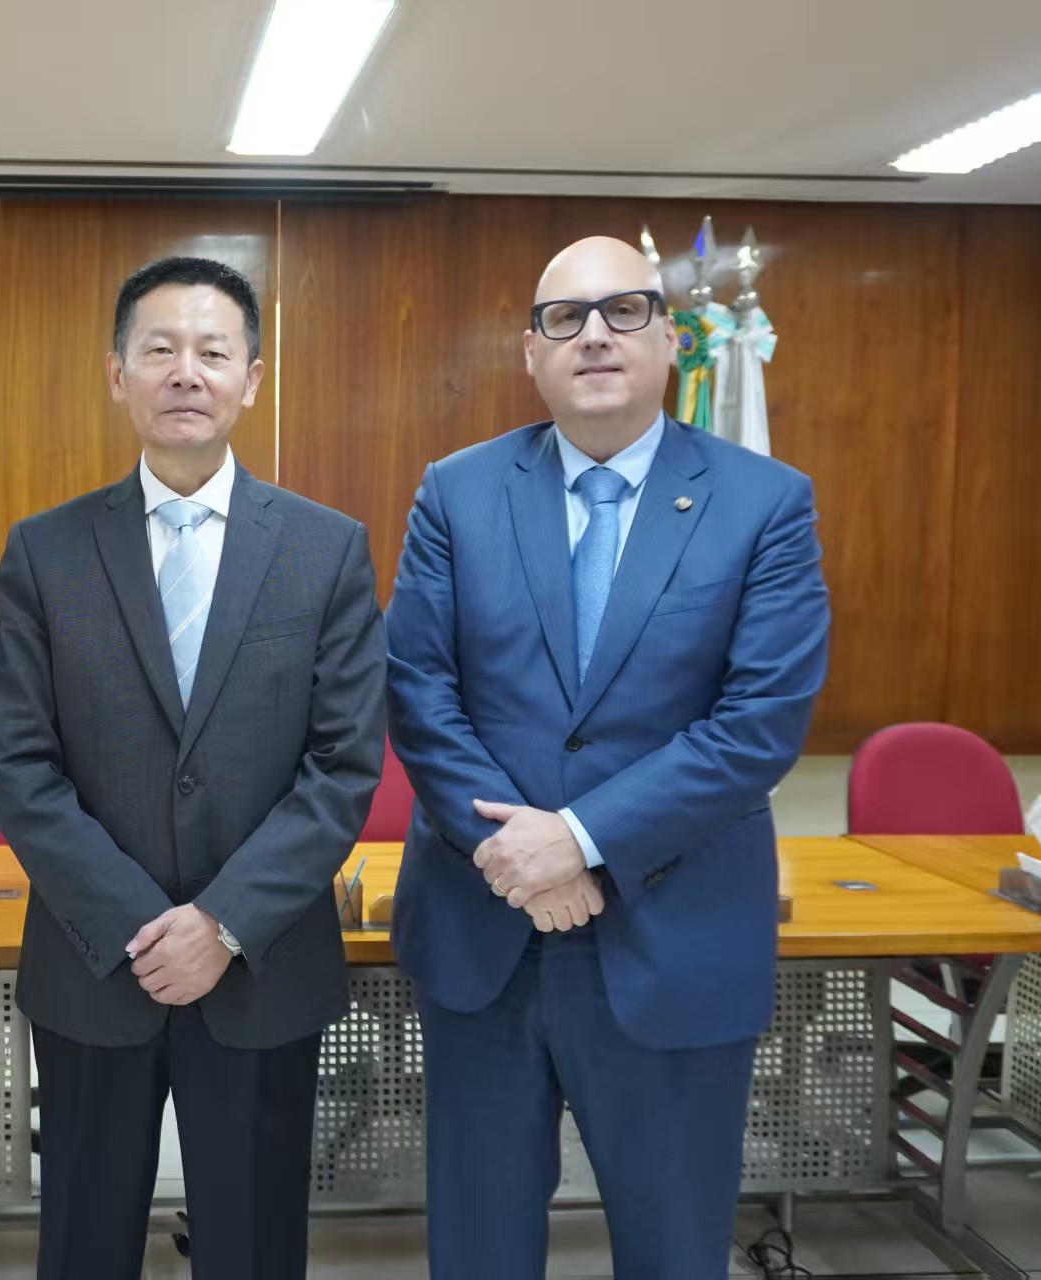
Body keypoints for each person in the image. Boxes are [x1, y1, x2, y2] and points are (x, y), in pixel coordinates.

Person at [385, 237, 831, 1279]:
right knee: (479, 1251)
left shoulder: (765, 502)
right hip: (483, 932)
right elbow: (419, 692)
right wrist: (520, 856)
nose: (594, 334)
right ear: (530, 353)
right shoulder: (457, 491)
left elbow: (757, 722)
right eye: (564, 317)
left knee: (675, 1250)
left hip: (676, 937)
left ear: (670, 339)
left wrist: (580, 840)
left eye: (624, 311)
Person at [0, 256, 385, 1280]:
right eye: (159, 349)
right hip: (93, 964)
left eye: (212, 351)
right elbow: (18, 759)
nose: (185, 372)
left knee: (253, 1248)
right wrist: (136, 921)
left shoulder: (326, 549)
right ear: (118, 375)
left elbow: (343, 764)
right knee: (83, 1247)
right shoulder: (47, 551)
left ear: (253, 379)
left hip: (261, 964)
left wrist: (222, 922)